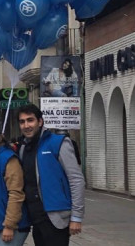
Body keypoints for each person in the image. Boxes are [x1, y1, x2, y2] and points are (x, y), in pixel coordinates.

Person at [16, 104, 85, 246]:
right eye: (22, 122)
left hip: (55, 218)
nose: (26, 125)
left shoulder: (58, 143)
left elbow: (76, 180)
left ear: (40, 122)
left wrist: (76, 217)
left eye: (30, 120)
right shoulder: (23, 148)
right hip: (35, 218)